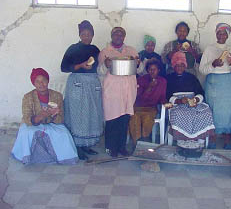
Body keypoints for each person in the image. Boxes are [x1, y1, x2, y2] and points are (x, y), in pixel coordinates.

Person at [11, 68, 78, 164]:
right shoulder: (28, 97)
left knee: (63, 134)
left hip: (52, 124)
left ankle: (62, 157)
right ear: (34, 83)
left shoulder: (57, 96)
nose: (41, 84)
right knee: (27, 133)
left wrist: (54, 115)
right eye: (37, 81)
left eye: (44, 81)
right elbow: (27, 118)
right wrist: (40, 116)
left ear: (48, 81)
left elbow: (61, 119)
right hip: (33, 124)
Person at [61, 20, 103, 160]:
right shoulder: (73, 48)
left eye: (89, 34)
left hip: (92, 85)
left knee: (90, 114)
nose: (86, 37)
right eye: (83, 34)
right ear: (80, 35)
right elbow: (64, 67)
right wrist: (80, 66)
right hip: (77, 84)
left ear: (92, 35)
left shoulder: (95, 49)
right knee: (77, 115)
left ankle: (86, 144)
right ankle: (77, 147)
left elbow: (99, 66)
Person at [98, 27, 139, 157]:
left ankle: (122, 147)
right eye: (115, 34)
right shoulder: (105, 52)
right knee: (112, 120)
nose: (118, 36)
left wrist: (138, 63)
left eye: (121, 34)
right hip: (112, 91)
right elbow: (100, 72)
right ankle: (111, 148)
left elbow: (140, 69)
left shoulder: (131, 50)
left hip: (128, 90)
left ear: (124, 36)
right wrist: (106, 64)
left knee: (124, 119)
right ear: (111, 36)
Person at [199, 23, 231, 150]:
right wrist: (213, 64)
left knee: (230, 112)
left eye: (224, 33)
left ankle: (227, 140)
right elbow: (202, 70)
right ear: (215, 33)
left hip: (228, 84)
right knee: (212, 111)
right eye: (219, 33)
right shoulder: (209, 49)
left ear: (228, 35)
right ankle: (212, 138)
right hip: (213, 83)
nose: (221, 35)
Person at [166, 51, 215, 150]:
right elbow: (166, 95)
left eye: (182, 65)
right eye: (177, 65)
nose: (180, 67)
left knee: (205, 112)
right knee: (180, 113)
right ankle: (182, 140)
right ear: (174, 66)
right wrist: (179, 101)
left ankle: (200, 140)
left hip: (193, 103)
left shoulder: (192, 77)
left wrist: (196, 99)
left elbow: (200, 93)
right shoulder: (169, 78)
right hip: (177, 105)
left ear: (185, 66)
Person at [129, 59, 167, 143]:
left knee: (148, 118)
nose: (152, 72)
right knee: (134, 117)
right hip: (138, 107)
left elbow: (162, 97)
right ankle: (136, 142)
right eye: (150, 69)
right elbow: (139, 98)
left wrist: (165, 103)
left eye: (155, 69)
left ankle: (145, 140)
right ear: (147, 70)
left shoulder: (162, 81)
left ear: (159, 70)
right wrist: (149, 87)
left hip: (151, 108)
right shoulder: (142, 80)